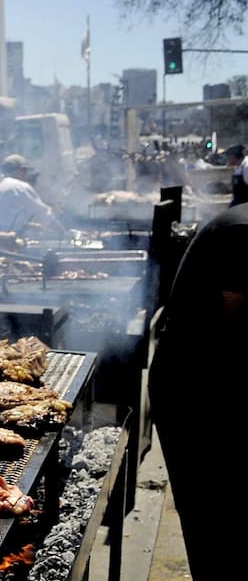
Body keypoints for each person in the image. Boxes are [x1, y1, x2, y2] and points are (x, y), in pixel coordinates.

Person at [147, 205, 248, 581]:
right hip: (196, 392)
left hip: (221, 380)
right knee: (216, 521)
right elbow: (240, 321)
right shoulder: (243, 234)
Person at [0, 154, 66, 236]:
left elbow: (6, 218)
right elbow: (44, 214)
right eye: (25, 171)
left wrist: (31, 226)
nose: (25, 175)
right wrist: (62, 232)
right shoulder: (21, 187)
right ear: (19, 171)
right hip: (9, 241)